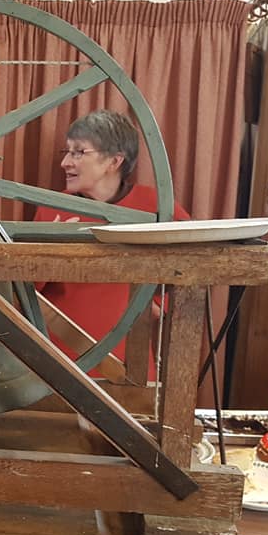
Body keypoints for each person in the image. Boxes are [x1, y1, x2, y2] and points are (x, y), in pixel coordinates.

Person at [34, 110, 189, 379]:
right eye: (67, 151)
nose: (65, 163)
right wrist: (53, 250)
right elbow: (22, 293)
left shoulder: (155, 207)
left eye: (79, 152)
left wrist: (158, 303)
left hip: (127, 362)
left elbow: (194, 264)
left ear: (114, 161)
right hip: (58, 360)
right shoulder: (51, 209)